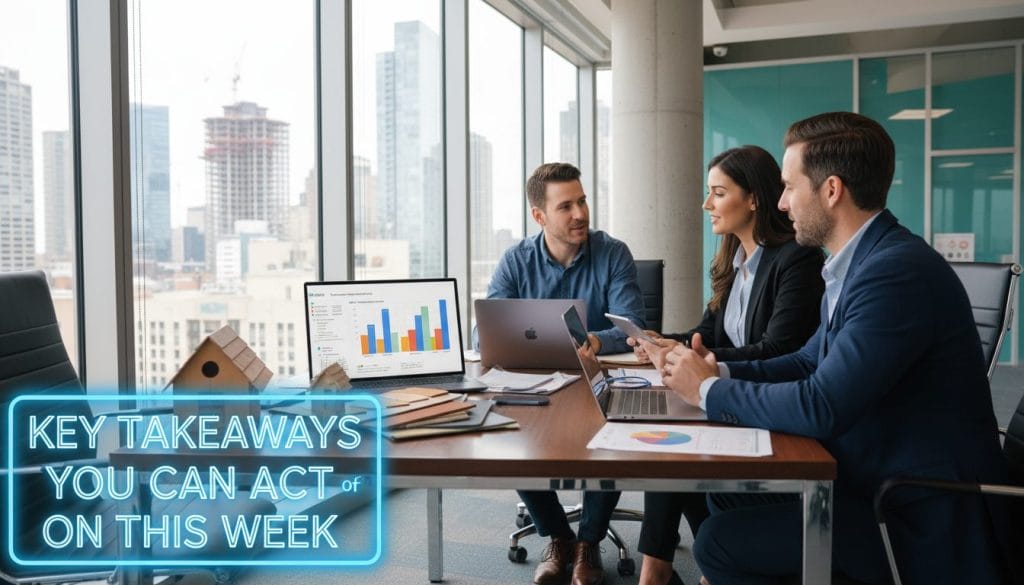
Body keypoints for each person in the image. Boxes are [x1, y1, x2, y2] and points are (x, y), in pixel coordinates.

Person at [647, 112, 1020, 584]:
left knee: (719, 543)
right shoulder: (859, 264)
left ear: (831, 190)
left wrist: (707, 394)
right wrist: (716, 373)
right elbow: (807, 360)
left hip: (915, 511)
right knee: (726, 494)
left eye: (788, 187)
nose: (781, 204)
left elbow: (823, 404)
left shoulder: (894, 273)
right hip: (872, 472)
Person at [630, 146, 824, 585]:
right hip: (730, 400)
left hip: (768, 406)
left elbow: (779, 348)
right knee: (669, 443)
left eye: (718, 193)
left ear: (753, 199)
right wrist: (664, 343)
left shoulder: (796, 259)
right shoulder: (733, 262)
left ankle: (663, 570)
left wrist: (697, 363)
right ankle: (661, 569)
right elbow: (708, 334)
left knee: (675, 449)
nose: (706, 205)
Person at [488, 161, 646, 585]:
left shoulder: (612, 253)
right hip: (536, 382)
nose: (580, 213)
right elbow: (487, 327)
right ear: (539, 216)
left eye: (582, 201)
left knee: (613, 430)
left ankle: (590, 541)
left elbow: (631, 324)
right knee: (510, 431)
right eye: (566, 206)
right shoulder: (515, 261)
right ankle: (558, 535)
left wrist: (594, 341)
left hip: (597, 379)